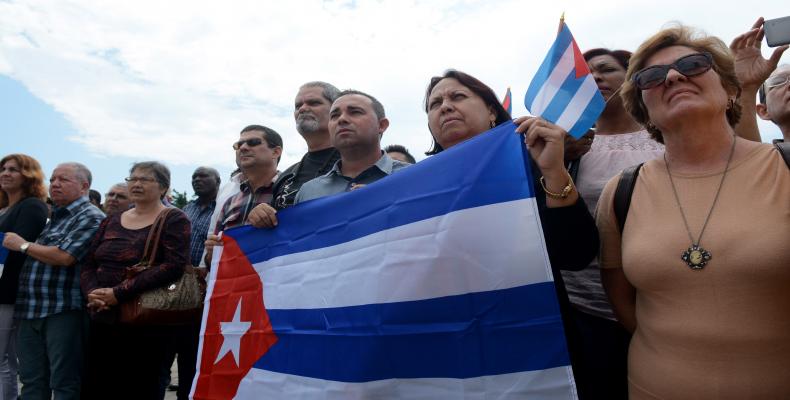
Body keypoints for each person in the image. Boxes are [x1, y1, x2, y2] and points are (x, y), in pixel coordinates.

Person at [597, 25, 790, 399]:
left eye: (694, 64)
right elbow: (621, 297)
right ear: (644, 112)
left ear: (731, 91)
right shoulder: (621, 191)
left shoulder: (783, 168)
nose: (672, 75)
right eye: (651, 76)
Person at [423, 69, 598, 393]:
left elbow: (576, 253)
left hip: (535, 340)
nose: (444, 106)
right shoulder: (417, 187)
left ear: (492, 112)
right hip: (453, 348)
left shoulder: (531, 162)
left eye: (457, 96)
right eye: (435, 104)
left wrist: (554, 172)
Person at [558, 48, 665, 399]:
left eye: (606, 70)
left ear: (633, 78)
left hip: (663, 301)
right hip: (584, 309)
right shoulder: (566, 149)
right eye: (585, 75)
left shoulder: (665, 138)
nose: (596, 78)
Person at [80, 161, 191, 400]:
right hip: (102, 314)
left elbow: (174, 266)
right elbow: (89, 262)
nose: (137, 184)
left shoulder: (174, 218)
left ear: (163, 187)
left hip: (146, 320)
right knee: (96, 385)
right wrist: (94, 293)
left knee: (139, 387)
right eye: (133, 179)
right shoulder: (111, 220)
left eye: (145, 179)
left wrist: (117, 293)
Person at [4, 162, 104, 400]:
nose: (55, 184)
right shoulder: (56, 217)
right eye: (52, 180)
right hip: (31, 309)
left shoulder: (90, 216)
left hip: (62, 310)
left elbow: (65, 257)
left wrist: (23, 245)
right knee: (31, 381)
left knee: (63, 382)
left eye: (63, 180)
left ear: (84, 186)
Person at [247, 90, 410, 228]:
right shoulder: (308, 191)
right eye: (334, 115)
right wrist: (264, 223)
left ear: (382, 125)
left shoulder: (412, 178)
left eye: (355, 112)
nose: (342, 119)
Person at [161, 166, 219, 399]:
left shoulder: (222, 207)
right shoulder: (185, 210)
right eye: (194, 176)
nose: (197, 179)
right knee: (168, 348)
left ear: (218, 181)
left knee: (193, 353)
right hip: (178, 288)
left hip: (207, 290)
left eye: (203, 176)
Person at [0, 154, 48, 400]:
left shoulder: (32, 206)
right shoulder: (4, 208)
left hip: (8, 292)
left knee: (4, 361)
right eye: (3, 169)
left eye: (14, 170)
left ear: (29, 175)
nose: (6, 173)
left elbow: (18, 252)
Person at [204, 125, 282, 265]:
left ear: (275, 152)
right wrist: (211, 253)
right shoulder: (230, 202)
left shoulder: (292, 191)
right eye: (238, 144)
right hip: (233, 284)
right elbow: (212, 264)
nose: (243, 147)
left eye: (253, 142)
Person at [270, 82, 342, 209]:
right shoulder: (285, 177)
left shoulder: (364, 164)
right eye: (298, 106)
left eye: (314, 103)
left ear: (337, 110)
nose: (302, 109)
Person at [729, 17, 788, 142]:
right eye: (778, 82)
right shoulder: (769, 160)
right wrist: (745, 87)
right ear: (764, 111)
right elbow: (746, 156)